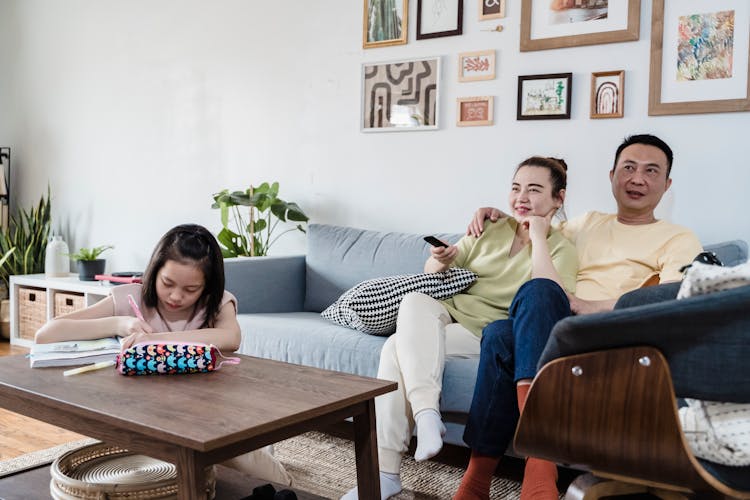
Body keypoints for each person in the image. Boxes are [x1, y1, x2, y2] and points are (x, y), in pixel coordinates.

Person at [456, 134, 704, 499]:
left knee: (515, 317)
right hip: (555, 328)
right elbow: (534, 230)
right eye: (628, 168)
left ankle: (521, 469)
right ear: (612, 175)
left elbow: (670, 299)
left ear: (666, 185)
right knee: (505, 324)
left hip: (610, 334)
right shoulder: (586, 223)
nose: (637, 179)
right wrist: (496, 215)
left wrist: (594, 305)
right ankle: (486, 478)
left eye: (651, 171)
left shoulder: (678, 237)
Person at [342, 156, 578, 500]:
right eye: (516, 188)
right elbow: (429, 276)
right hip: (451, 319)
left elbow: (551, 297)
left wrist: (540, 238)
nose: (521, 198)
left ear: (559, 199)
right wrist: (440, 260)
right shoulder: (490, 229)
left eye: (534, 190)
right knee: (412, 302)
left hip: (489, 333)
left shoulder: (561, 248)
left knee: (394, 349)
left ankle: (385, 473)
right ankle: (426, 414)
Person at [35, 223, 293, 486]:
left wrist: (154, 339)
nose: (176, 296)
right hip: (146, 420)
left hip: (210, 418)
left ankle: (269, 463)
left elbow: (231, 338)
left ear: (207, 286)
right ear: (154, 271)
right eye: (167, 283)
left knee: (255, 473)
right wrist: (118, 323)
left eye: (191, 289)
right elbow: (46, 334)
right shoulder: (129, 298)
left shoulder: (216, 304)